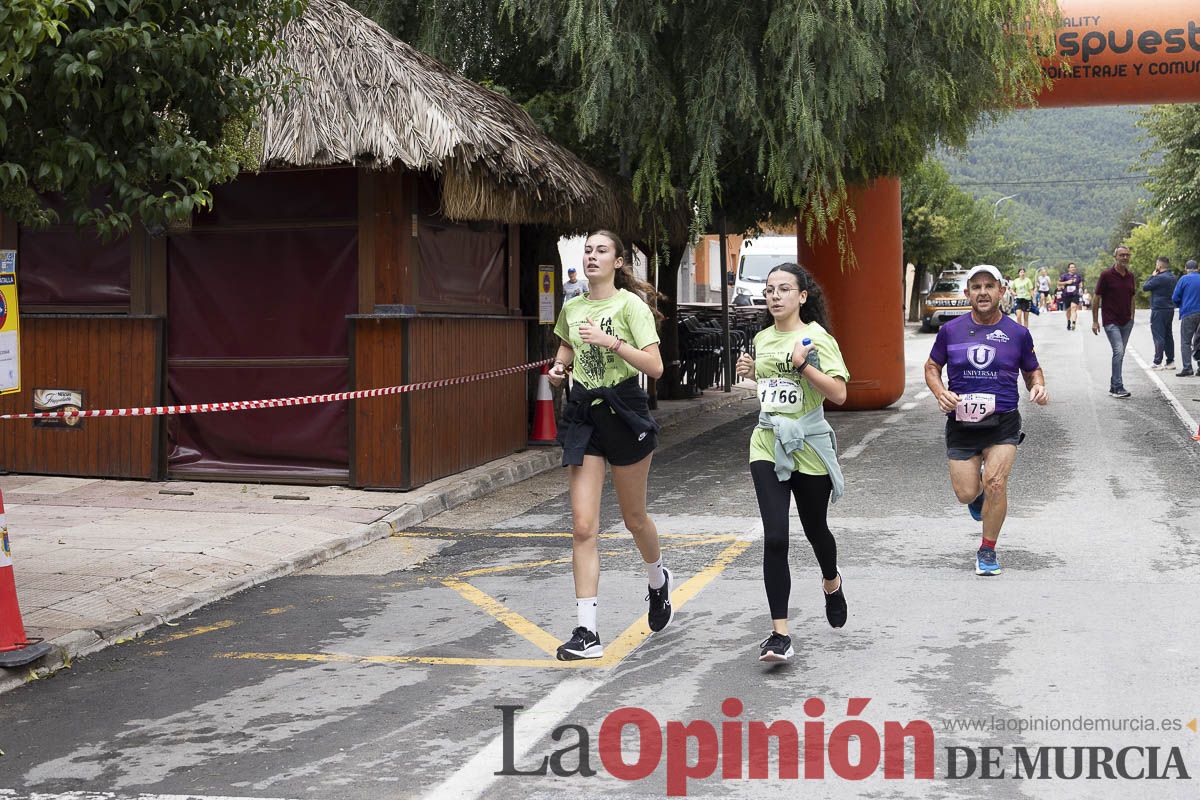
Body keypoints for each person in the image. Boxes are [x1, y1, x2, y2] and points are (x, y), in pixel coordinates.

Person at [547, 230, 668, 660]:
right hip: (584, 413)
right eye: (588, 250)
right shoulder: (573, 305)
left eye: (601, 250)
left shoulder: (630, 306)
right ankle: (587, 631)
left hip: (625, 409)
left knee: (635, 518)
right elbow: (566, 347)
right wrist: (559, 369)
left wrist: (611, 342)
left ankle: (657, 581)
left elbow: (655, 366)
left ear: (618, 261)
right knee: (583, 526)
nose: (592, 256)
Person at [733, 263, 848, 663]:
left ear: (802, 296)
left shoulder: (817, 338)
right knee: (776, 537)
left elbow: (839, 394)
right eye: (769, 290)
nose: (775, 296)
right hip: (767, 442)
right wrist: (751, 374)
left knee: (817, 531)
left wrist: (803, 364)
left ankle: (831, 582)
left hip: (809, 445)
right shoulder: (762, 338)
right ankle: (779, 634)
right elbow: (771, 391)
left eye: (784, 289)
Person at [925, 265, 1048, 577]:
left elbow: (1032, 368)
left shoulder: (1018, 333)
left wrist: (1037, 385)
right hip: (961, 423)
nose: (982, 292)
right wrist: (940, 393)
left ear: (1001, 291)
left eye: (989, 286)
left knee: (996, 483)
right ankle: (977, 497)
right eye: (976, 287)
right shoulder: (950, 331)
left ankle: (988, 549)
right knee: (966, 493)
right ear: (967, 293)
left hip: (1003, 421)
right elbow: (931, 366)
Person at [1092, 246, 1137, 398]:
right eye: (1122, 255)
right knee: (1118, 351)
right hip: (1111, 320)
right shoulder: (1106, 275)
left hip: (1126, 321)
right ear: (1115, 257)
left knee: (1120, 353)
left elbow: (1132, 297)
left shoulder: (1130, 276)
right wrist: (1095, 321)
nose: (1125, 257)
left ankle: (1113, 386)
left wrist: (1132, 317)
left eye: (1127, 255)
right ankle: (1118, 387)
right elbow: (1097, 297)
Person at [1142, 256, 1177, 370]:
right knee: (1168, 335)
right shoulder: (1172, 277)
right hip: (1169, 308)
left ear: (1159, 266)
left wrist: (1152, 275)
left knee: (1158, 336)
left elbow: (1145, 287)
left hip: (1159, 309)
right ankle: (1170, 361)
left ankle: (1157, 362)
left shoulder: (1158, 278)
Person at [1173, 259, 1200, 377]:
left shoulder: (1184, 279)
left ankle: (1187, 367)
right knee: (1199, 341)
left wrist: (1182, 305)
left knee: (1186, 341)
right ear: (1198, 268)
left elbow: (1175, 297)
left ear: (1186, 268)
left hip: (1189, 313)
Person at [1058, 263, 1083, 329]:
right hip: (1066, 295)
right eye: (1071, 267)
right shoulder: (1064, 276)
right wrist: (1066, 282)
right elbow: (1058, 283)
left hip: (1075, 295)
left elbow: (1080, 283)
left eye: (1074, 267)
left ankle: (1073, 323)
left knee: (1073, 308)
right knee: (1068, 310)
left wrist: (1080, 286)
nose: (1073, 268)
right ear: (1068, 269)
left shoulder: (1078, 276)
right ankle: (1069, 321)